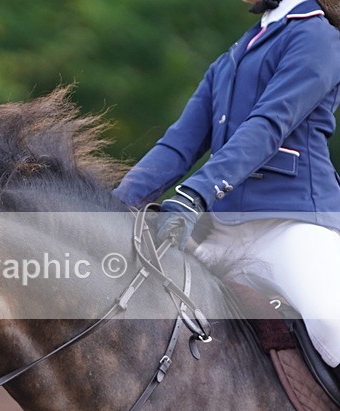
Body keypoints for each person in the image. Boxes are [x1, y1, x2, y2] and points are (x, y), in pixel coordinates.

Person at [113, 0, 340, 371]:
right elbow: (176, 146)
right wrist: (110, 205)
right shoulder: (235, 54)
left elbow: (268, 125)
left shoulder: (317, 36)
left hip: (289, 224)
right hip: (222, 233)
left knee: (333, 322)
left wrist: (195, 194)